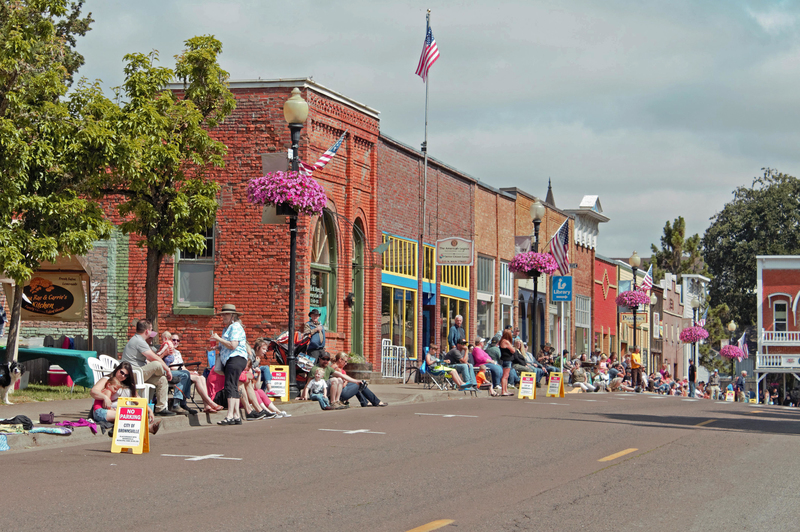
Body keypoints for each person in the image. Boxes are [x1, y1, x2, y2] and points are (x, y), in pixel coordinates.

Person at [120, 319, 177, 417]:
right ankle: (166, 374)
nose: (151, 332)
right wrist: (167, 370)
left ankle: (161, 408)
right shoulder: (138, 341)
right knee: (157, 364)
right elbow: (154, 357)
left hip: (139, 373)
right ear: (147, 331)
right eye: (151, 330)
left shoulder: (139, 340)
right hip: (133, 374)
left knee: (162, 380)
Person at [90, 361, 160, 435]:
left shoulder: (127, 386)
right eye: (122, 372)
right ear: (117, 369)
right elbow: (93, 391)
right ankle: (149, 428)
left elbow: (137, 399)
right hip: (105, 411)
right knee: (128, 415)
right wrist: (105, 398)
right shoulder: (108, 380)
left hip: (118, 411)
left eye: (126, 375)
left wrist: (149, 411)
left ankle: (148, 429)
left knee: (133, 414)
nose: (123, 376)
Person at [211, 303, 249, 426]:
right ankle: (236, 416)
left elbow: (233, 345)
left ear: (233, 315)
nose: (224, 317)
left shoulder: (235, 327)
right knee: (233, 386)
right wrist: (217, 345)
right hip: (230, 359)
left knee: (229, 385)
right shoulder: (227, 329)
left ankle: (230, 416)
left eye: (226, 314)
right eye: (223, 315)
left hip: (236, 358)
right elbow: (226, 346)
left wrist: (218, 338)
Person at [170, 333, 223, 414]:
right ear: (169, 340)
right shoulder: (168, 352)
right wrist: (187, 372)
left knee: (202, 377)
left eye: (178, 340)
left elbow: (183, 367)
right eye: (174, 340)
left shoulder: (177, 352)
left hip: (183, 372)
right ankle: (210, 402)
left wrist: (191, 372)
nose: (176, 342)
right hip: (174, 373)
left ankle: (206, 406)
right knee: (197, 379)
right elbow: (172, 367)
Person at [498, 329, 517, 396]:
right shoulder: (506, 342)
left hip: (504, 359)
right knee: (505, 376)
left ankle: (506, 390)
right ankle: (503, 391)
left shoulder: (501, 341)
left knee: (506, 375)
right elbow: (513, 350)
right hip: (507, 359)